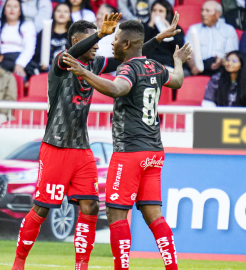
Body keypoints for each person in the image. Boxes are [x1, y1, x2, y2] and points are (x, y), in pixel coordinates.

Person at [11, 14, 181, 270]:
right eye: (92, 41)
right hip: (56, 147)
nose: (97, 46)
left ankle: (81, 266)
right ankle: (18, 262)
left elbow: (130, 56)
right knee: (42, 208)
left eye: (99, 40)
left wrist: (157, 38)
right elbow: (94, 52)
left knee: (90, 206)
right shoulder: (62, 62)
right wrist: (101, 33)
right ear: (77, 41)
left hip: (82, 150)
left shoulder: (94, 65)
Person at [63, 19, 192, 270]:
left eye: (115, 40)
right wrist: (178, 61)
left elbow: (117, 88)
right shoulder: (155, 66)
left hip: (130, 152)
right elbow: (176, 81)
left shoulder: (128, 69)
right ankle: (172, 266)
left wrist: (84, 72)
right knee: (153, 214)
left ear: (126, 43)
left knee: (116, 214)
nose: (111, 44)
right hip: (154, 153)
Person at [0, 0, 37, 79]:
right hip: (1, 61)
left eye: (15, 7)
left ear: (20, 11)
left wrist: (20, 64)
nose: (12, 9)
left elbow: (29, 49)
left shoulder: (28, 25)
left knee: (20, 77)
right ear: (4, 10)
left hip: (20, 60)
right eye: (9, 6)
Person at [185, 0, 239, 77]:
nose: (203, 14)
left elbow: (231, 53)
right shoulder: (193, 29)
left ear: (217, 14)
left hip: (220, 67)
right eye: (202, 10)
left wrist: (221, 61)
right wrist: (193, 66)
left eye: (207, 11)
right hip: (197, 66)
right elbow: (188, 52)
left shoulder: (228, 30)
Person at [32, 3, 73, 73]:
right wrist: (41, 64)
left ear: (70, 17)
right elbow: (37, 53)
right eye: (58, 11)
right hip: (46, 70)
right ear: (53, 14)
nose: (62, 13)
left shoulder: (73, 35)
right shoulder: (44, 32)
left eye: (66, 11)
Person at [144, 0, 184, 69]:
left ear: (167, 13)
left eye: (161, 11)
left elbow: (178, 47)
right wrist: (150, 26)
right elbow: (142, 46)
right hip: (150, 64)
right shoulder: (145, 27)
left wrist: (169, 28)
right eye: (154, 10)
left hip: (168, 64)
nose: (157, 14)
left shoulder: (177, 28)